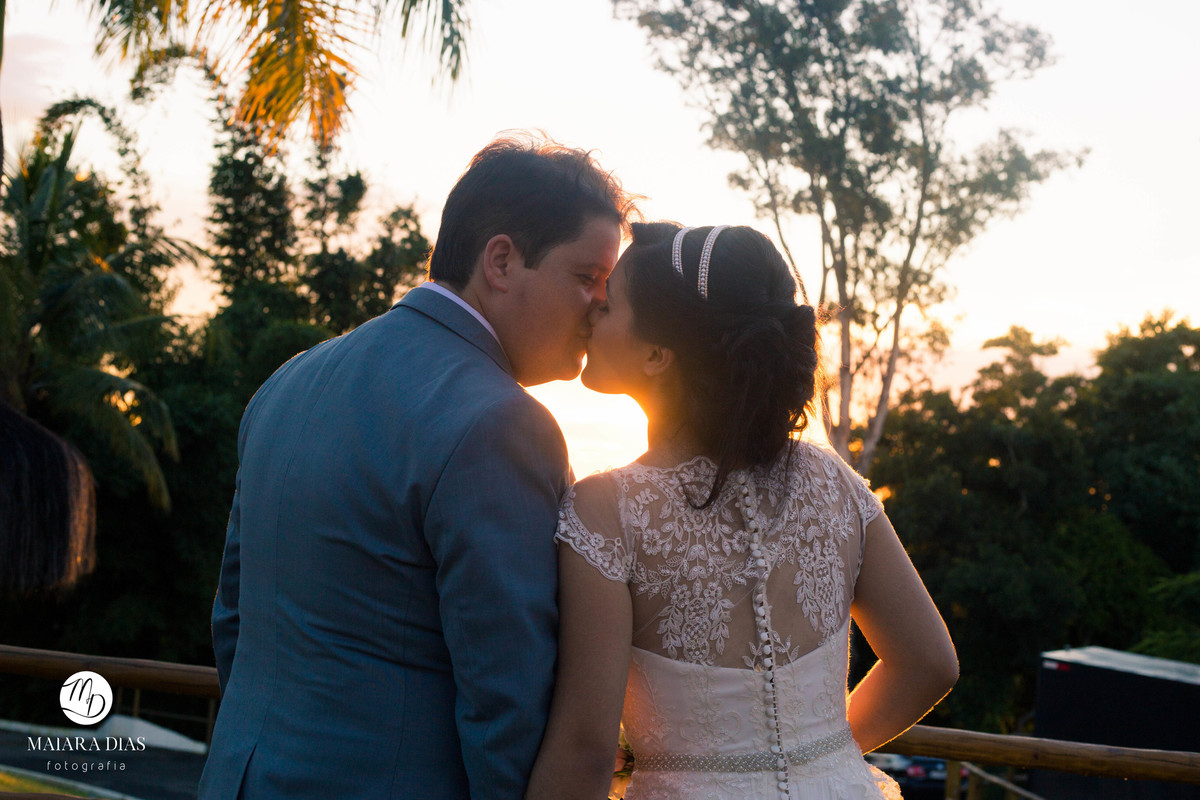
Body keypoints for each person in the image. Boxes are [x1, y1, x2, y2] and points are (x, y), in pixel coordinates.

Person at [198, 134, 634, 800]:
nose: (600, 305)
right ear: (501, 260)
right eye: (586, 277)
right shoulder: (499, 423)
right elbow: (508, 704)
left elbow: (234, 619)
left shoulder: (288, 382)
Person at [524, 223, 959, 800]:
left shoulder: (609, 510)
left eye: (610, 304)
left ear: (657, 355)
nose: (592, 311)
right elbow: (930, 664)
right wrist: (819, 758)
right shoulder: (834, 481)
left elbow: (586, 743)